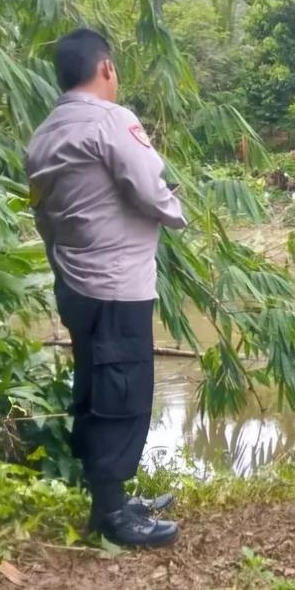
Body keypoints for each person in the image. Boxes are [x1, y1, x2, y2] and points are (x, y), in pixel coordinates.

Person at [26, 28, 184, 547]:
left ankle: (107, 500)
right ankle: (114, 516)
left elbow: (43, 218)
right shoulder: (112, 121)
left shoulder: (42, 135)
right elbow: (148, 187)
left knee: (95, 386)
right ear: (106, 68)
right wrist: (174, 208)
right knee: (123, 391)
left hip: (74, 284)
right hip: (117, 285)